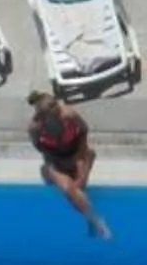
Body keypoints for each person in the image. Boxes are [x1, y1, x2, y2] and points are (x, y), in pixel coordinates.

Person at [25, 88, 111, 237]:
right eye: (51, 106)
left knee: (80, 184)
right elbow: (39, 146)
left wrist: (79, 155)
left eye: (55, 103)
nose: (57, 107)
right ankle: (96, 221)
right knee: (68, 190)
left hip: (76, 151)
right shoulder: (35, 127)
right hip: (54, 158)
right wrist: (55, 161)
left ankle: (88, 215)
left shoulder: (69, 115)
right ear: (42, 114)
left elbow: (84, 130)